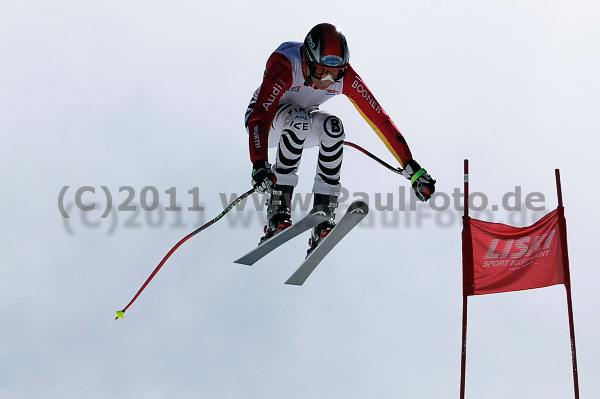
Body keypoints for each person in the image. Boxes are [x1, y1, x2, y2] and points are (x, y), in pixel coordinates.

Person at [246, 22, 436, 251]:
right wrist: (259, 164)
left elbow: (379, 120)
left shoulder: (346, 77)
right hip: (266, 126)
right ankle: (278, 207)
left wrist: (411, 168)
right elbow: (259, 118)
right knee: (299, 120)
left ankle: (323, 214)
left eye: (335, 74)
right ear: (307, 60)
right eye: (321, 72)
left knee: (333, 127)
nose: (327, 80)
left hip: (301, 123)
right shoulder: (286, 64)